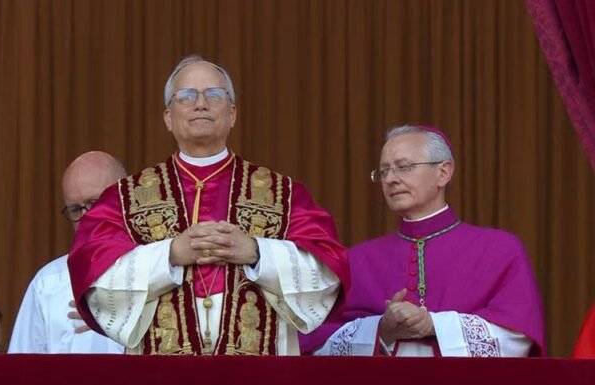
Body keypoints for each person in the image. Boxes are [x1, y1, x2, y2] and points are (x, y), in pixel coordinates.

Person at [69, 56, 349, 356]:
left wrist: (257, 253)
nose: (200, 104)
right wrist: (169, 255)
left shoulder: (284, 194)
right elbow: (96, 278)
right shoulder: (125, 198)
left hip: (258, 380)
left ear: (232, 113)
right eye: (186, 96)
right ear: (167, 116)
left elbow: (327, 272)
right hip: (160, 384)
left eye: (214, 95)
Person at [309, 125, 545, 357]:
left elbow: (518, 338)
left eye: (404, 167)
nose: (391, 179)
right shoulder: (357, 259)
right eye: (384, 171)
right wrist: (381, 330)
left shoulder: (500, 249)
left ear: (443, 173)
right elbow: (319, 344)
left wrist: (434, 325)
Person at [9, 151, 126, 354]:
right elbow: (20, 371)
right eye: (75, 209)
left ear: (126, 199)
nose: (87, 217)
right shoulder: (49, 281)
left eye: (94, 203)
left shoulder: (161, 266)